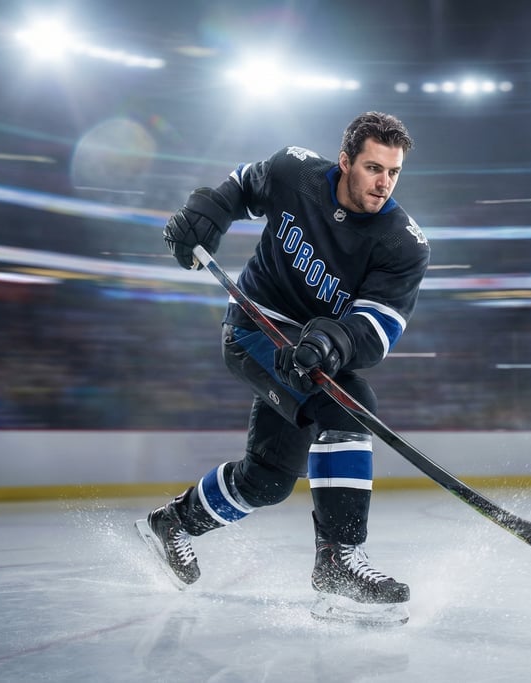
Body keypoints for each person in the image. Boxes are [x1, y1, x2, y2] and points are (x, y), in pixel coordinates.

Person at [135, 111, 429, 624]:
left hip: (312, 353)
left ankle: (172, 523)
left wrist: (331, 341)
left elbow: (378, 326)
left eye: (393, 172)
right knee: (350, 407)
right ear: (344, 162)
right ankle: (338, 560)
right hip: (254, 329)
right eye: (372, 168)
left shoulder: (403, 243)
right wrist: (210, 211)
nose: (384, 183)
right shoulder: (296, 172)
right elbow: (245, 184)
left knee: (267, 481)